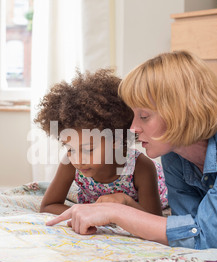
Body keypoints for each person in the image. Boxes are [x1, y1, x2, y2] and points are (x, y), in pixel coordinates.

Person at [47, 51, 217, 256]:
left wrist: (118, 212)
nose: (133, 129)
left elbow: (200, 237)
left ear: (181, 111)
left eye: (144, 116)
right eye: (133, 116)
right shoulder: (174, 156)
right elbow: (188, 230)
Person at [34, 68, 168, 217]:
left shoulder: (141, 167)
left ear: (115, 140)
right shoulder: (69, 163)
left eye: (88, 150)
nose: (78, 160)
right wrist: (89, 212)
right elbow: (48, 206)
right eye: (70, 149)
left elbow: (154, 219)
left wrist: (120, 207)